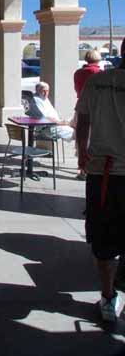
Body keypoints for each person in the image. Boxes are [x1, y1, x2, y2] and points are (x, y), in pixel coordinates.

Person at [75, 37, 125, 322]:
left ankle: (108, 299)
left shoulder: (97, 82)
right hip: (106, 172)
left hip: (102, 174)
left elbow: (83, 121)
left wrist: (82, 153)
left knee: (103, 239)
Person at [73, 50, 102, 180]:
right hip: (96, 108)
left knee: (81, 139)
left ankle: (81, 168)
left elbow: (77, 90)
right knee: (92, 139)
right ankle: (88, 169)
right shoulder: (99, 73)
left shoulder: (78, 73)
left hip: (80, 106)